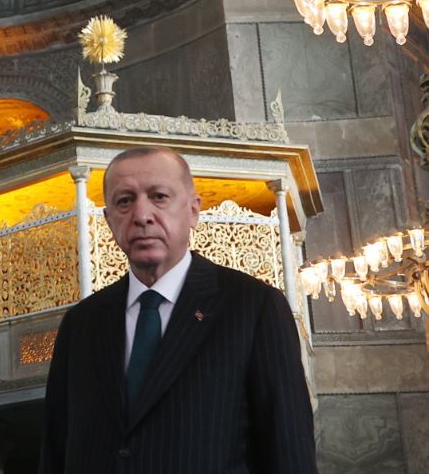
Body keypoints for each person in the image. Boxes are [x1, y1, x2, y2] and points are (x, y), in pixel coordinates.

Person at [40, 146, 316, 473]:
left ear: (193, 211)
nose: (141, 215)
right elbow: (56, 451)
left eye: (159, 197)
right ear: (108, 220)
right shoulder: (81, 323)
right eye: (124, 201)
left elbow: (289, 452)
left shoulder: (254, 307)